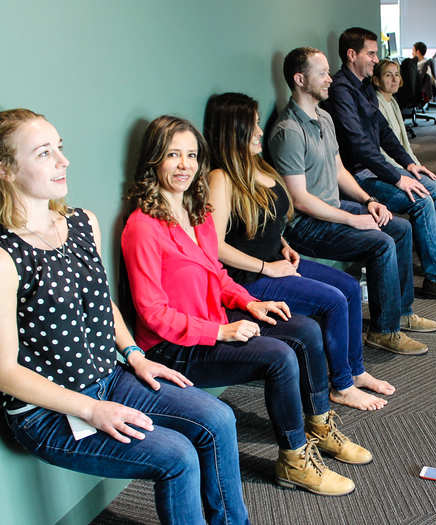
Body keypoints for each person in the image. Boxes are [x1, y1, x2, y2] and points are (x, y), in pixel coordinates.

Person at [0, 109, 249, 525]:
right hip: (48, 409)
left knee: (217, 418)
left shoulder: (82, 223)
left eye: (60, 148)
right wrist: (91, 409)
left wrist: (135, 354)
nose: (63, 161)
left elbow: (101, 302)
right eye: (44, 153)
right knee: (178, 456)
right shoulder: (6, 255)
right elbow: (6, 372)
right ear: (6, 170)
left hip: (109, 378)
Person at [121, 115, 370, 497]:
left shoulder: (196, 212)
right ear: (154, 160)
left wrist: (251, 302)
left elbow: (217, 274)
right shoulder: (142, 227)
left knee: (305, 328)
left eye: (191, 155)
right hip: (173, 347)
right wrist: (222, 331)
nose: (185, 165)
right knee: (279, 357)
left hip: (211, 320)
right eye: (173, 155)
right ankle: (294, 460)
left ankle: (319, 424)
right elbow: (152, 314)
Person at [204, 92, 394, 411]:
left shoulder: (258, 166)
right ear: (234, 129)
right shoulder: (221, 179)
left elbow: (266, 221)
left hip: (279, 261)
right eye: (254, 125)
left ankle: (356, 372)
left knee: (347, 287)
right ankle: (342, 387)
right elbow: (216, 247)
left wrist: (283, 245)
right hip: (248, 278)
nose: (260, 132)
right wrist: (268, 267)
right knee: (332, 301)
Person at [268, 47, 436, 357]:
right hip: (306, 225)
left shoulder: (323, 117)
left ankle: (401, 312)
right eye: (321, 73)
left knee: (398, 228)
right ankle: (384, 332)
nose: (329, 79)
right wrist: (352, 218)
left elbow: (339, 170)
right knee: (381, 242)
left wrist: (368, 200)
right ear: (299, 78)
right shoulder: (288, 131)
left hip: (332, 210)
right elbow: (300, 200)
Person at [325, 27, 436, 302]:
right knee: (420, 199)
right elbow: (360, 146)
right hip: (358, 175)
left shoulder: (363, 86)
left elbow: (383, 130)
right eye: (371, 53)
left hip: (376, 169)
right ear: (352, 55)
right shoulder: (340, 90)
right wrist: (397, 179)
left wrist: (409, 165)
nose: (376, 59)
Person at [372, 59, 420, 169]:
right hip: (390, 167)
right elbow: (381, 151)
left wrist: (416, 165)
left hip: (402, 162)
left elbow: (405, 146)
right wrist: (405, 169)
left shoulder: (393, 102)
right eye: (388, 75)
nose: (394, 79)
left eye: (397, 75)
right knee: (435, 186)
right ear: (376, 80)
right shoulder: (376, 105)